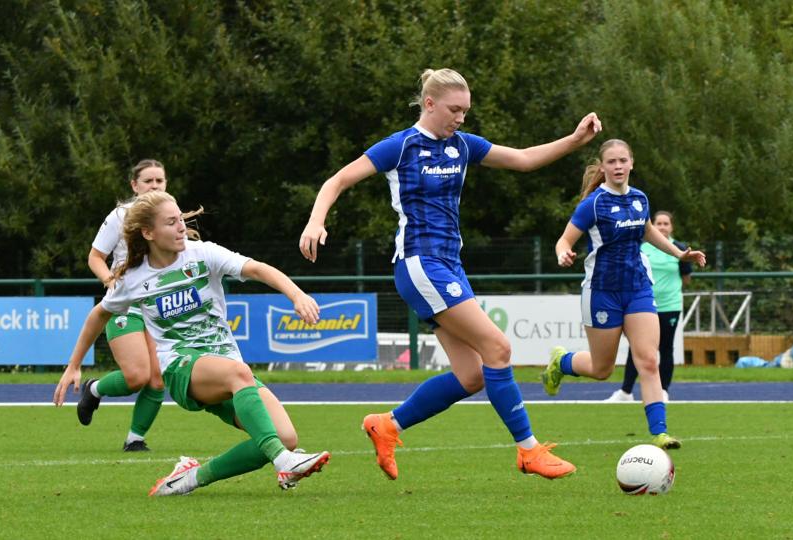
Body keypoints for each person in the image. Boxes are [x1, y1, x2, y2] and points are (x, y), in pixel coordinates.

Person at [299, 68, 601, 480]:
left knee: (472, 375)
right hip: (420, 264)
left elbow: (524, 160)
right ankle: (529, 451)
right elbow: (337, 180)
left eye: (465, 111)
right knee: (498, 347)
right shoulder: (401, 146)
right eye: (454, 110)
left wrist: (575, 140)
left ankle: (387, 425)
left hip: (448, 266)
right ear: (429, 104)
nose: (460, 118)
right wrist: (316, 221)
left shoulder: (463, 145)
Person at [55, 191, 330, 495]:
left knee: (286, 437)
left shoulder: (202, 254)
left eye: (180, 219)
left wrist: (297, 295)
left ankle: (190, 478)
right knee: (241, 377)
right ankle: (284, 462)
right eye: (170, 222)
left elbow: (256, 268)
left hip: (225, 365)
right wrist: (74, 365)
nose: (181, 228)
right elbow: (99, 314)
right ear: (148, 233)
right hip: (180, 367)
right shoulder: (134, 278)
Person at [540, 139, 705, 450]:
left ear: (632, 163)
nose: (618, 166)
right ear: (603, 167)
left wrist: (679, 253)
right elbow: (564, 240)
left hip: (638, 289)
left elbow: (647, 230)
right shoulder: (593, 204)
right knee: (602, 369)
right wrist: (563, 254)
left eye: (623, 160)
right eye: (611, 162)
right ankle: (562, 362)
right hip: (602, 292)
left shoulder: (640, 199)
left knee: (649, 360)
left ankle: (660, 432)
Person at [79, 159, 168, 452]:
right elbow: (95, 257)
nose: (154, 186)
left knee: (157, 379)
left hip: (157, 305)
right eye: (148, 181)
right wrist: (109, 280)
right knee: (137, 376)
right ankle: (94, 388)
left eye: (159, 181)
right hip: (126, 303)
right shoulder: (121, 215)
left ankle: (135, 439)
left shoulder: (170, 215)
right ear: (134, 185)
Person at [606, 210, 692, 403]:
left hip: (670, 306)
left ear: (672, 227)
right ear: (652, 225)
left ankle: (663, 391)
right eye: (658, 223)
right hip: (643, 306)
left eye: (666, 224)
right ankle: (626, 392)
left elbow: (686, 278)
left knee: (666, 348)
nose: (662, 227)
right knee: (637, 348)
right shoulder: (641, 247)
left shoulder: (680, 249)